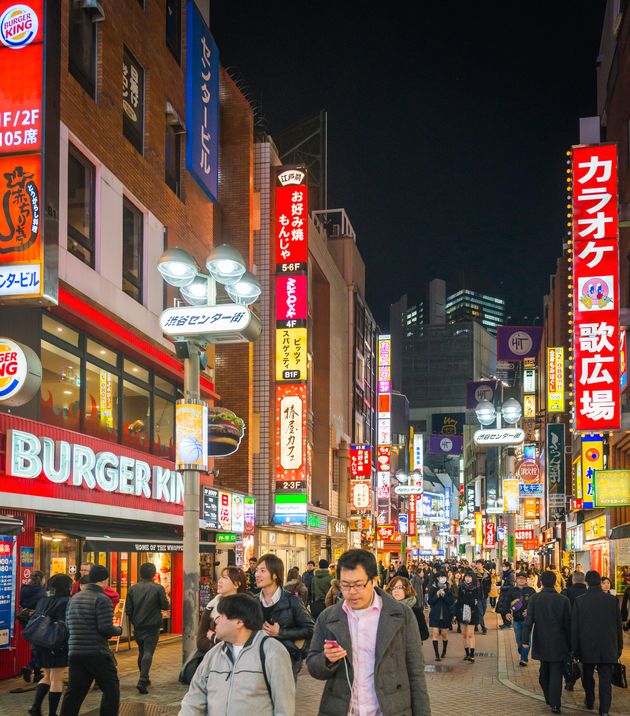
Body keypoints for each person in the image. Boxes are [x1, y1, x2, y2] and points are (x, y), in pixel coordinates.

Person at [306, 548, 431, 716]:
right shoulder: (328, 618)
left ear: (374, 580)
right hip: (342, 709)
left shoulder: (401, 615)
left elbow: (416, 673)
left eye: (359, 585)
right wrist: (326, 659)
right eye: (345, 585)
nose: (351, 592)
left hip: (391, 709)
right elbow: (313, 665)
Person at [178, 593, 295, 716]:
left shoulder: (272, 652)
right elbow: (194, 699)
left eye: (221, 616)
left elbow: (284, 707)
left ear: (239, 622)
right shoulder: (214, 654)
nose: (216, 620)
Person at [59, 565, 122, 716]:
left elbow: (68, 625)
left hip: (75, 652)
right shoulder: (102, 599)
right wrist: (119, 630)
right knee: (111, 688)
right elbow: (105, 629)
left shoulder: (74, 598)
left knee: (75, 692)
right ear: (105, 580)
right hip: (96, 652)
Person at [572, 570, 623, 716]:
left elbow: (575, 627)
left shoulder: (580, 601)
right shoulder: (612, 601)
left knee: (587, 676)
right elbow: (618, 626)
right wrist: (618, 647)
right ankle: (604, 710)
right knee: (606, 679)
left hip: (586, 647)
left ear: (586, 582)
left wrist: (574, 649)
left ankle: (589, 700)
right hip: (608, 646)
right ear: (600, 582)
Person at [255, 554, 314, 679]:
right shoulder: (253, 602)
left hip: (286, 659)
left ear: (275, 575)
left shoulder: (291, 600)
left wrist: (280, 632)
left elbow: (310, 629)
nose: (257, 575)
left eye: (262, 571)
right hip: (258, 660)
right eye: (257, 570)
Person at [521, 570, 571, 714]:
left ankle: (551, 699)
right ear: (555, 581)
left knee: (544, 671)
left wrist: (525, 640)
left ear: (541, 582)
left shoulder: (535, 599)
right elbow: (568, 624)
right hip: (559, 641)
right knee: (556, 672)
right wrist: (571, 644)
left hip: (541, 640)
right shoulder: (563, 600)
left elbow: (528, 621)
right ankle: (555, 703)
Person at [26, 574, 73, 716]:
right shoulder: (66, 601)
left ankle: (36, 707)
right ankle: (52, 713)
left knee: (47, 676)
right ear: (66, 587)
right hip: (56, 644)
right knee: (56, 678)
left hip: (39, 643)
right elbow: (65, 624)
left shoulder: (44, 599)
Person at [125, 562, 170, 694]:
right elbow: (165, 606)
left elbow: (128, 609)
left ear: (140, 573)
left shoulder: (132, 589)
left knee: (142, 651)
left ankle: (145, 677)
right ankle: (143, 679)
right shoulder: (158, 588)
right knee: (148, 652)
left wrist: (134, 620)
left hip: (138, 625)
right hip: (153, 625)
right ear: (153, 574)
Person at [197, 566, 247, 653]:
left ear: (237, 584)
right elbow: (200, 641)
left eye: (225, 578)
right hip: (213, 662)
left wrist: (213, 637)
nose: (219, 581)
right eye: (220, 577)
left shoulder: (244, 608)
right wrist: (221, 647)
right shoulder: (211, 606)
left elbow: (238, 643)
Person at [19, 571, 46, 683]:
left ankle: (37, 673)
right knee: (40, 648)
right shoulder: (41, 591)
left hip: (25, 619)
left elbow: (21, 602)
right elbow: (43, 606)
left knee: (34, 647)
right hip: (37, 620)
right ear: (41, 579)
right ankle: (30, 667)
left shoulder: (24, 589)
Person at [384, 576, 429, 641]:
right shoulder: (386, 609)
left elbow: (424, 634)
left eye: (400, 587)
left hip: (409, 649)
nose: (396, 590)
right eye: (393, 588)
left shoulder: (415, 611)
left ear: (407, 589)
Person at [507, 571, 536, 667]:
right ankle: (522, 649)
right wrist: (507, 612)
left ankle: (524, 658)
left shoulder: (531, 591)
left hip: (528, 619)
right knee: (518, 639)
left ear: (526, 580)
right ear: (516, 579)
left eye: (523, 578)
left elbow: (536, 604)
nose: (521, 580)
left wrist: (529, 611)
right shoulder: (512, 590)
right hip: (516, 619)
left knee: (526, 639)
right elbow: (506, 603)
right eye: (519, 578)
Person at [428, 572, 455, 661]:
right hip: (435, 615)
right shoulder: (433, 589)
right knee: (435, 634)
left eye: (443, 577)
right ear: (437, 578)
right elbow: (430, 602)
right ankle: (437, 654)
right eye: (440, 577)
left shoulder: (448, 589)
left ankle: (444, 650)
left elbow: (451, 602)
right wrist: (437, 595)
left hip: (446, 615)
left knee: (444, 634)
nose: (442, 578)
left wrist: (444, 595)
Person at [456, 571, 480, 662]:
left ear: (473, 578)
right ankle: (467, 654)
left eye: (470, 577)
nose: (468, 578)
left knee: (470, 634)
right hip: (462, 612)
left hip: (472, 612)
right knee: (464, 635)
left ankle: (472, 654)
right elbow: (459, 601)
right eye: (466, 576)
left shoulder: (476, 587)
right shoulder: (461, 587)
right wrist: (456, 613)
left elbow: (475, 599)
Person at [496, 560, 515, 628]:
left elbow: (511, 586)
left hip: (508, 594)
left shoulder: (510, 574)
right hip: (503, 594)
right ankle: (505, 623)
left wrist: (501, 587)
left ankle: (508, 624)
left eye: (504, 566)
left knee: (505, 610)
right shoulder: (505, 573)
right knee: (502, 609)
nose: (503, 568)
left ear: (508, 567)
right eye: (502, 566)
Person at [474, 559, 490, 635]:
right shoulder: (473, 573)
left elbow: (489, 583)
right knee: (480, 612)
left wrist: (488, 591)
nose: (478, 565)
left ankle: (476, 624)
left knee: (483, 611)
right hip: (477, 596)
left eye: (479, 564)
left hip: (485, 596)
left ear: (482, 565)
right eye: (477, 564)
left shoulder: (487, 574)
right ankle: (483, 627)